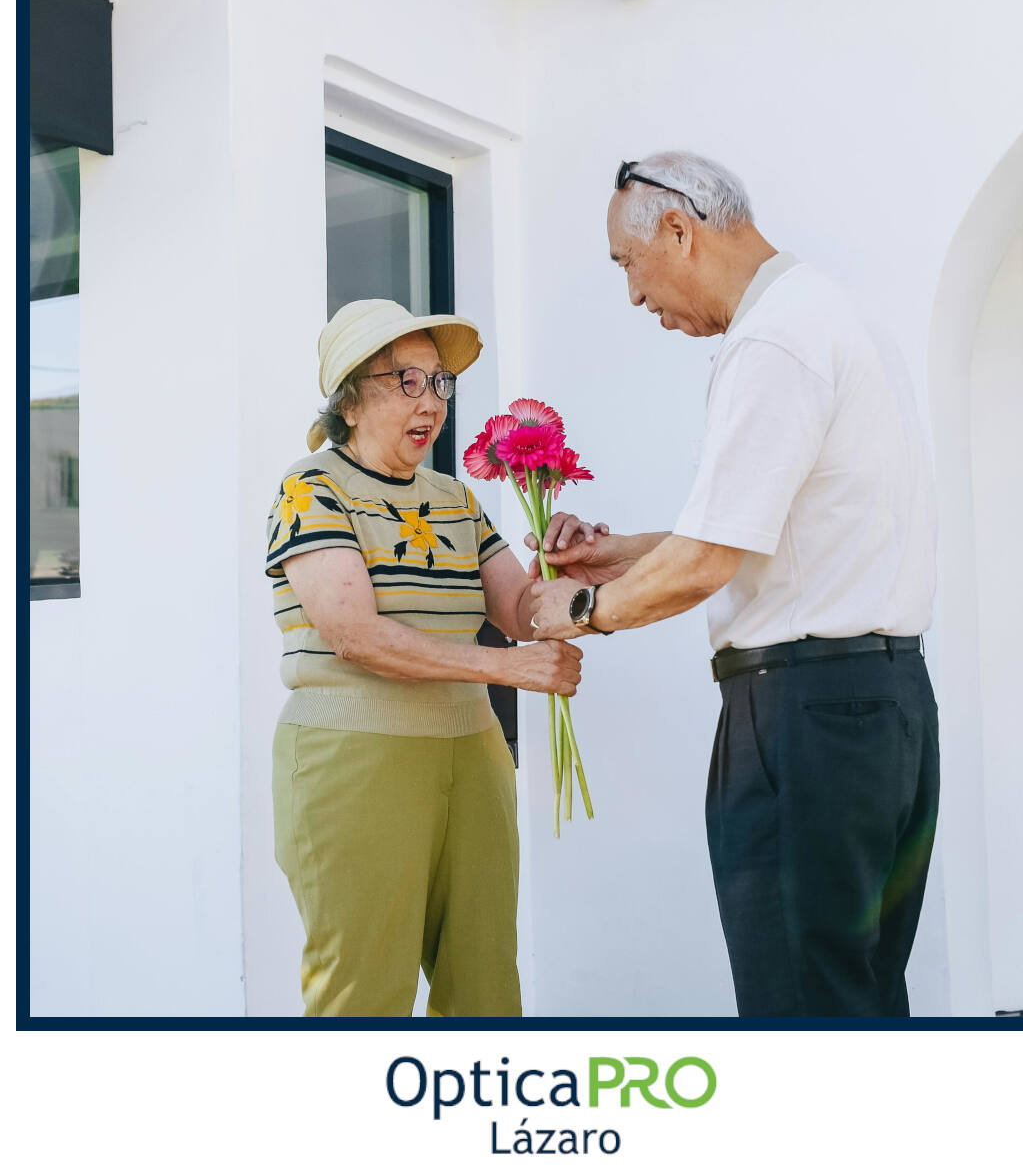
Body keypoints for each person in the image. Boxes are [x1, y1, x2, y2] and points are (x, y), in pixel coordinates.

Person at [527, 152, 939, 1018]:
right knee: (858, 998)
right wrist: (627, 554)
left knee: (798, 1011)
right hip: (883, 705)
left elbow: (712, 559)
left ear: (679, 230)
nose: (635, 298)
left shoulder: (773, 342)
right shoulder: (832, 312)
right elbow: (773, 532)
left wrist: (580, 612)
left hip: (805, 718)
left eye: (627, 266)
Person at [268, 298, 595, 1018]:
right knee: (362, 990)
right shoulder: (311, 489)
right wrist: (506, 670)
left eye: (439, 382)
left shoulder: (454, 497)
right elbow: (353, 633)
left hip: (471, 756)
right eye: (406, 381)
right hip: (352, 760)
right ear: (350, 400)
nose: (432, 401)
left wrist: (573, 569)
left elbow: (518, 610)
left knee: (484, 987)